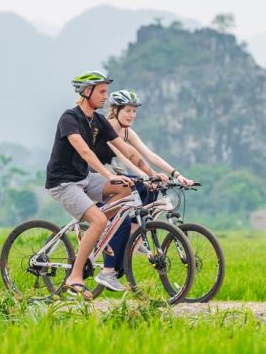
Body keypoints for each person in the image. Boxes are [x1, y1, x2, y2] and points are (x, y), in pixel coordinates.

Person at [44, 70, 150, 300]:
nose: (105, 97)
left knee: (127, 188)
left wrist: (151, 174)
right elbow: (84, 151)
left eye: (106, 92)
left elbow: (126, 150)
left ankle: (100, 234)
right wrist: (107, 175)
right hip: (63, 182)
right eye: (101, 92)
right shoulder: (69, 118)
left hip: (84, 178)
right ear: (86, 92)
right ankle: (75, 277)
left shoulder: (99, 120)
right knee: (99, 219)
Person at [91, 89, 194, 292]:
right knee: (127, 206)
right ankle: (108, 270)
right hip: (95, 176)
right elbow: (129, 158)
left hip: (112, 174)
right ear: (115, 110)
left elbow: (148, 155)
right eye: (127, 110)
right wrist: (146, 176)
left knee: (150, 189)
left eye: (134, 111)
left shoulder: (127, 131)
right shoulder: (108, 128)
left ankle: (136, 233)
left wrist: (177, 175)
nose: (131, 115)